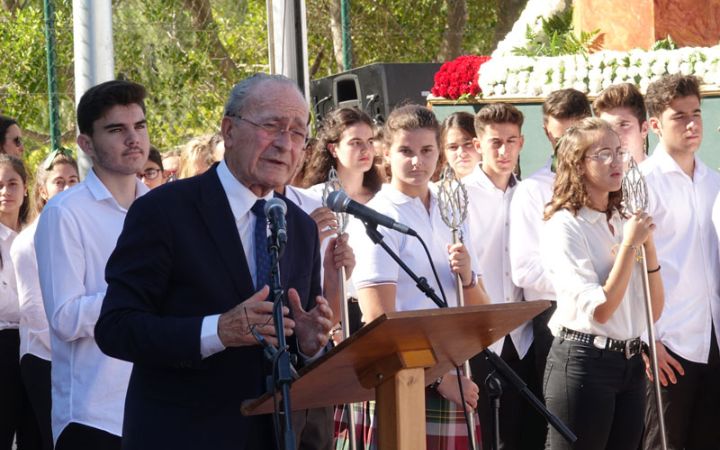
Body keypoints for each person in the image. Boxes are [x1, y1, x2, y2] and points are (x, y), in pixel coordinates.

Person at [94, 74, 335, 450]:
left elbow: (298, 339)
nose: (285, 144)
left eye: (298, 132)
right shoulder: (164, 211)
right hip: (182, 435)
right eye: (271, 126)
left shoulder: (301, 227)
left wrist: (308, 344)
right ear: (230, 130)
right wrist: (217, 332)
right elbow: (116, 328)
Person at [346, 104, 490, 449]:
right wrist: (437, 381)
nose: (417, 161)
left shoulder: (451, 207)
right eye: (406, 151)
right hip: (402, 378)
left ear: (439, 153)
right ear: (386, 154)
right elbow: (378, 319)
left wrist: (468, 276)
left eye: (426, 151)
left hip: (456, 370)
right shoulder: (376, 215)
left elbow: (480, 310)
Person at [35, 80, 150, 449]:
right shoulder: (65, 213)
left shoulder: (160, 208)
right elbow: (65, 317)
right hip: (93, 415)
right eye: (117, 129)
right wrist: (137, 294)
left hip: (157, 405)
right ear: (86, 144)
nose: (133, 138)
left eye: (140, 126)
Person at [541, 117, 663, 450]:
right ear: (578, 165)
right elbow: (602, 309)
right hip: (583, 362)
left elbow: (654, 307)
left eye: (619, 152)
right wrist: (628, 246)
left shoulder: (622, 218)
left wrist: (648, 247)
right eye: (603, 154)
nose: (616, 162)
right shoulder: (564, 226)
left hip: (630, 362)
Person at [641, 74, 720, 449]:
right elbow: (628, 264)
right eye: (679, 116)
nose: (691, 124)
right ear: (655, 124)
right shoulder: (642, 182)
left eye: (696, 114)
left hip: (714, 338)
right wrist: (647, 340)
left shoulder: (714, 182)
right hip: (669, 344)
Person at [462, 103, 545, 449]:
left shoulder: (528, 193)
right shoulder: (459, 195)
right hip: (481, 337)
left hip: (525, 335)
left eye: (511, 141)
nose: (504, 150)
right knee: (487, 435)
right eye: (495, 141)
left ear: (522, 143)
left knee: (527, 433)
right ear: (478, 145)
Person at [508, 88, 591, 391]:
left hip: (611, 319)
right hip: (556, 319)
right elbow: (525, 272)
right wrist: (588, 287)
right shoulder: (532, 191)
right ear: (546, 131)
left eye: (576, 136)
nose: (569, 148)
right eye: (560, 139)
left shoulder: (609, 181)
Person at [11, 152, 79, 450]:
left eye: (73, 181)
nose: (67, 188)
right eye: (59, 182)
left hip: (76, 355)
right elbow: (35, 312)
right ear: (42, 190)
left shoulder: (80, 228)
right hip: (44, 359)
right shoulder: (28, 240)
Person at [0, 155, 33, 450]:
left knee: (34, 431)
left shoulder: (34, 234)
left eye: (12, 183)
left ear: (25, 189)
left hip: (35, 344)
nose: (5, 192)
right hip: (4, 343)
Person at [592, 83, 649, 163]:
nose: (615, 135)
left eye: (624, 125)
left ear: (644, 129)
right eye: (607, 127)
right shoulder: (592, 174)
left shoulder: (662, 175)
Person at [440, 111, 481, 179]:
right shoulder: (436, 189)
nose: (461, 153)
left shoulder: (500, 187)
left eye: (468, 144)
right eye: (452, 147)